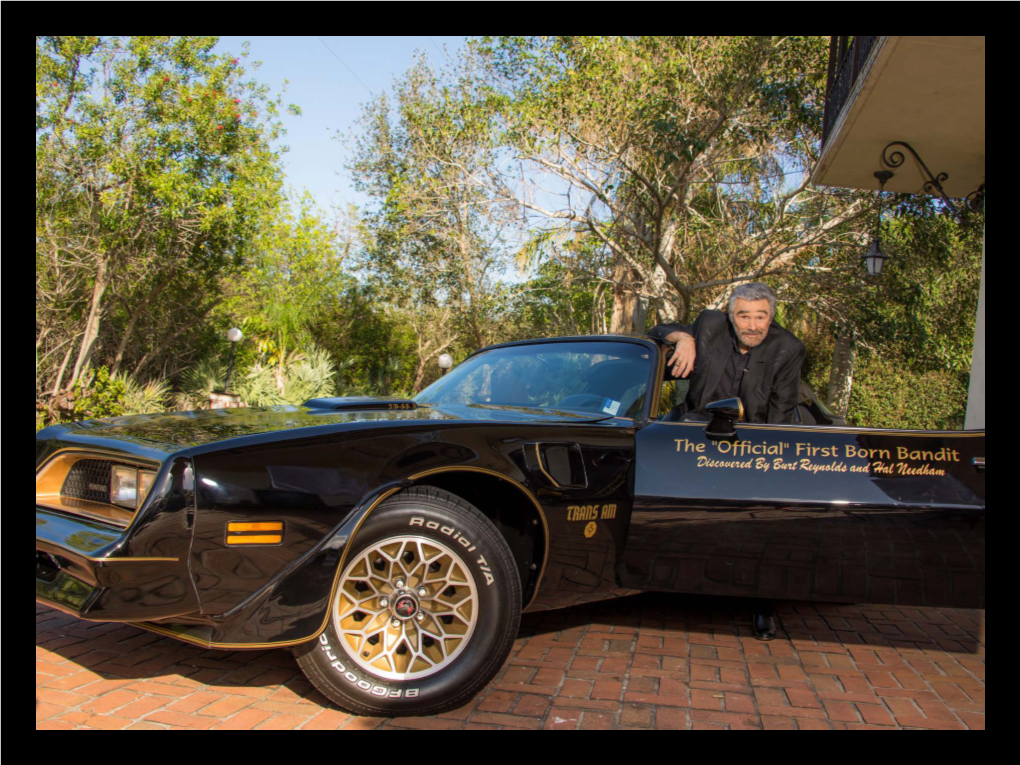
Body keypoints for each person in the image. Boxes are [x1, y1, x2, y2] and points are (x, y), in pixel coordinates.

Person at [649, 283, 805, 425]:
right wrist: (684, 338)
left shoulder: (788, 349)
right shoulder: (711, 326)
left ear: (770, 318)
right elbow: (657, 331)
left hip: (748, 437)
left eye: (760, 317)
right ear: (731, 316)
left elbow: (780, 412)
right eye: (744, 317)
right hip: (694, 430)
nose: (752, 326)